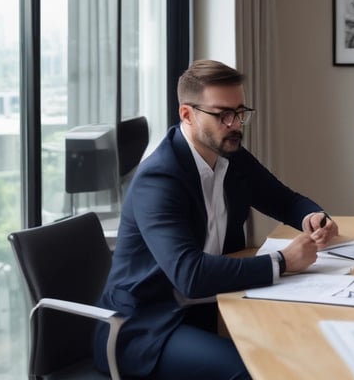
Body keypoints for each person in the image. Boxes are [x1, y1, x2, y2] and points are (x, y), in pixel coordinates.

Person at [92, 60, 339, 380]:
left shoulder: (231, 156)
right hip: (146, 326)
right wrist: (282, 261)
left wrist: (313, 217)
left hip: (211, 305)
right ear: (187, 114)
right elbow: (190, 274)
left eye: (240, 112)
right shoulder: (160, 179)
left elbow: (285, 200)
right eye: (223, 114)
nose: (235, 124)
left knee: (300, 346)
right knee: (255, 370)